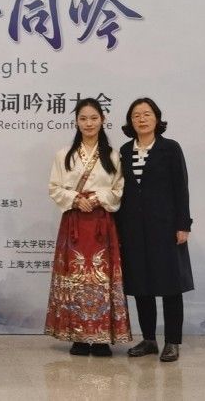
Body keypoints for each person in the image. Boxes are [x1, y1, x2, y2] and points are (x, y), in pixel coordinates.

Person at [45, 98, 132, 356]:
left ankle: (102, 338)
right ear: (76, 122)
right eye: (83, 118)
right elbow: (54, 187)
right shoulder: (64, 155)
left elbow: (119, 189)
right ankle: (78, 338)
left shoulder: (113, 156)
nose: (89, 123)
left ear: (102, 120)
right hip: (74, 223)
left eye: (94, 118)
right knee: (74, 278)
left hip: (101, 224)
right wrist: (75, 199)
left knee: (102, 277)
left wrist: (96, 198)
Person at [117, 98, 194, 362]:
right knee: (142, 285)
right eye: (136, 115)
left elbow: (181, 188)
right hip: (133, 229)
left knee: (171, 286)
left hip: (166, 228)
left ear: (157, 118)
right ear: (130, 121)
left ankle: (172, 342)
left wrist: (183, 224)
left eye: (147, 114)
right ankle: (149, 339)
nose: (142, 119)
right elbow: (122, 192)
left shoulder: (170, 148)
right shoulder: (124, 151)